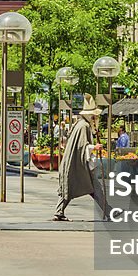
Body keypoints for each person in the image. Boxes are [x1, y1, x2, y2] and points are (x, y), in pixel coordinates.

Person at [54, 94, 106, 222]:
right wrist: (95, 147)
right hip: (78, 165)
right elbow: (83, 146)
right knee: (90, 188)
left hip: (74, 164)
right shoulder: (84, 126)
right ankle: (108, 211)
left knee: (72, 188)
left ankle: (108, 210)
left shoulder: (80, 124)